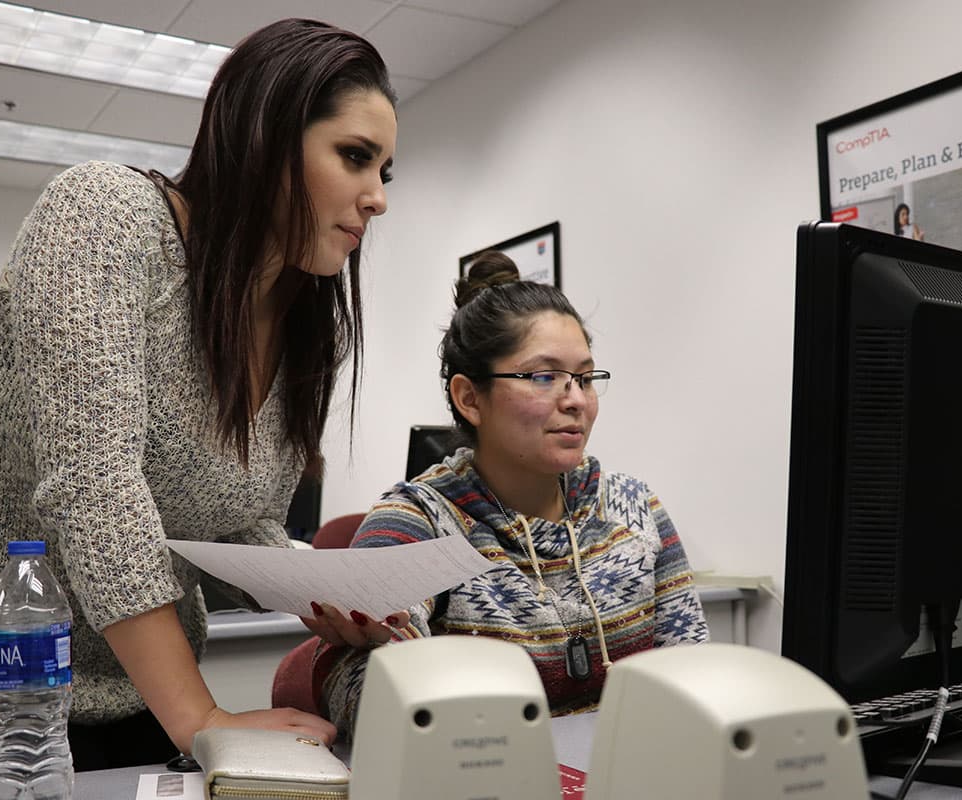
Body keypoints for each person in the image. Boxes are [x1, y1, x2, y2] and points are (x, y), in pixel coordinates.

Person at [0, 18, 398, 788]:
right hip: (2, 660)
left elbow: (233, 519)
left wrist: (316, 592)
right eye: (354, 157)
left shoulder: (305, 321)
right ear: (266, 142)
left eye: (386, 173)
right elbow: (92, 483)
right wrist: (203, 718)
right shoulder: (106, 219)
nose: (375, 199)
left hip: (148, 667)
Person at [303, 251, 710, 739]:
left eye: (584, 377)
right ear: (470, 398)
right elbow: (361, 689)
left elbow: (691, 674)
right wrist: (389, 645)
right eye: (544, 377)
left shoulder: (634, 509)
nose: (576, 400)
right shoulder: (420, 519)